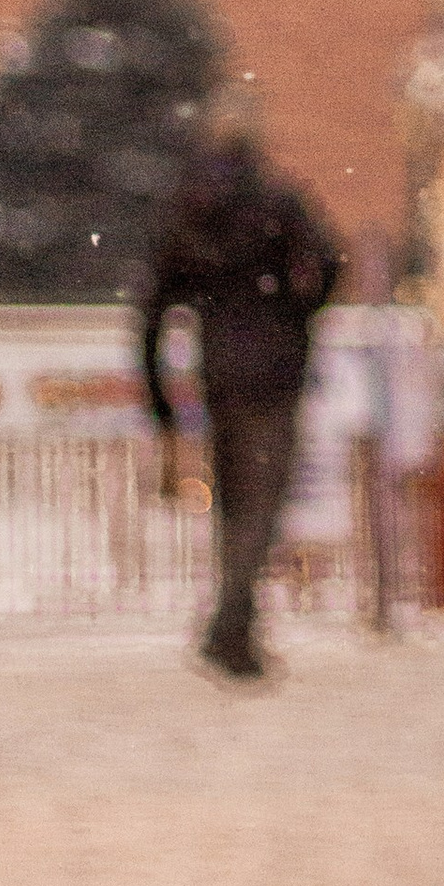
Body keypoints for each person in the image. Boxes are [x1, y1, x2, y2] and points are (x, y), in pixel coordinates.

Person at [140, 115, 344, 682]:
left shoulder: (193, 214)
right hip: (275, 373)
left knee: (234, 508)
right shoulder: (278, 204)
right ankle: (231, 628)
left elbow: (153, 307)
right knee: (262, 506)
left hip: (221, 377)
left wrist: (159, 396)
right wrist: (298, 315)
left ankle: (233, 629)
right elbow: (329, 263)